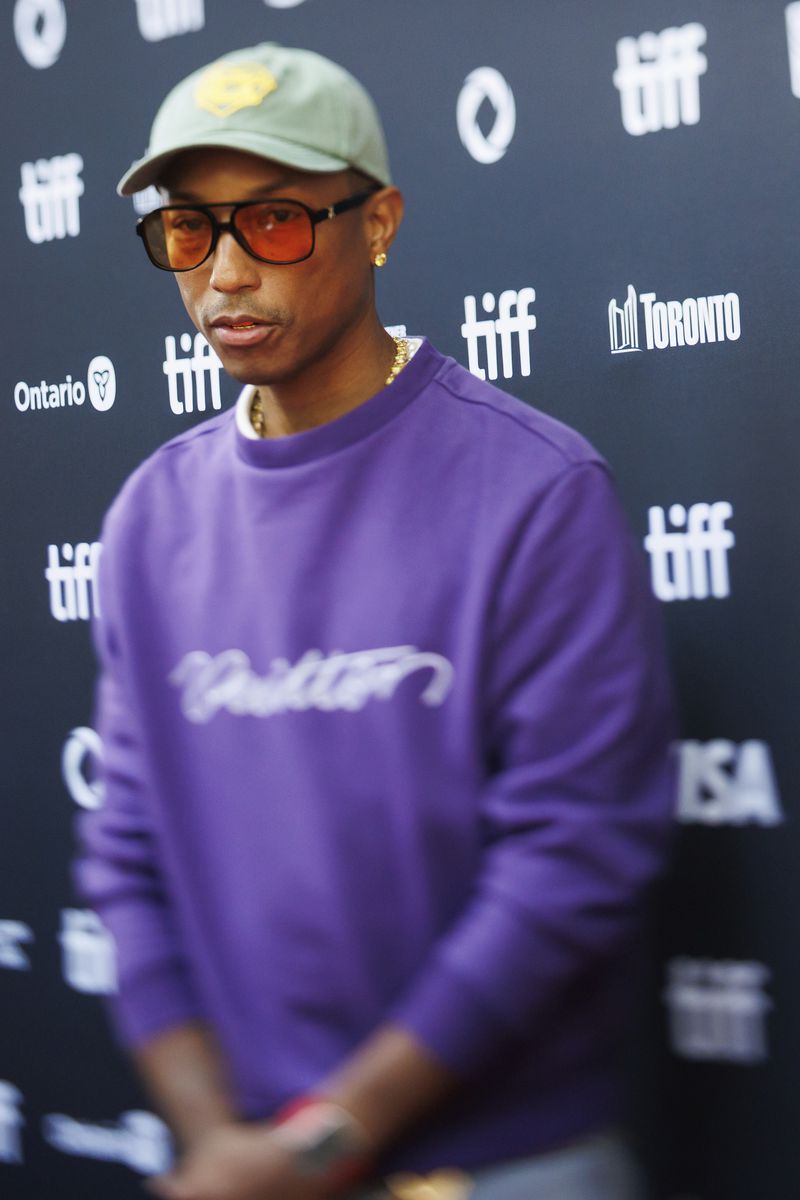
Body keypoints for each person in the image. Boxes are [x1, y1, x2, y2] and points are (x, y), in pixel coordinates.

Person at [75, 41, 675, 1200]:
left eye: (279, 222)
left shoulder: (536, 489)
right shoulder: (152, 515)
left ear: (378, 220)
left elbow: (571, 858)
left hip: (510, 1166)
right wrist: (220, 1148)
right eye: (190, 231)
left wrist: (325, 1139)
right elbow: (125, 853)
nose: (227, 275)